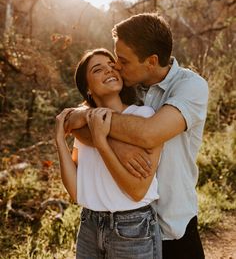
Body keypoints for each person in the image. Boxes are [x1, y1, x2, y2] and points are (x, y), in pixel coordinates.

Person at [65, 13, 209, 259]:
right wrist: (114, 144)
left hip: (172, 224)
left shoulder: (191, 87)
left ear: (151, 61)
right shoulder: (128, 86)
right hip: (124, 226)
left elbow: (148, 133)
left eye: (123, 61)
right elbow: (75, 120)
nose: (117, 67)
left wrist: (93, 122)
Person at [55, 48, 163, 259]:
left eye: (112, 66)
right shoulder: (82, 126)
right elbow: (77, 193)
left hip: (134, 229)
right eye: (98, 69)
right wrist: (60, 140)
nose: (109, 71)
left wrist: (102, 143)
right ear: (87, 88)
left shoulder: (143, 117)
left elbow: (137, 191)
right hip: (89, 226)